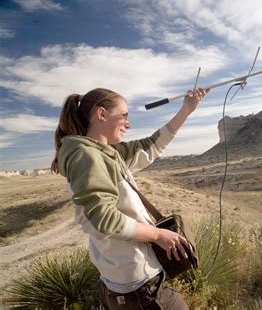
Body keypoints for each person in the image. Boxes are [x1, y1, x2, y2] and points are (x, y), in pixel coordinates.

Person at [51, 87, 209, 309]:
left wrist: (186, 110)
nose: (128, 123)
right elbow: (104, 219)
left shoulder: (105, 153)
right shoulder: (87, 156)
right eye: (124, 115)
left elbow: (150, 147)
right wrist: (157, 235)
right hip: (139, 286)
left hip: (126, 280)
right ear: (101, 114)